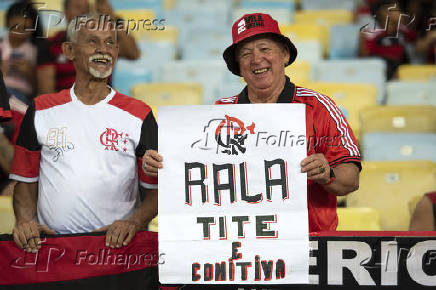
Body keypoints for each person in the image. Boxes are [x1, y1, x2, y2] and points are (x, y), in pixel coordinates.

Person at [143, 13, 361, 233]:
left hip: (306, 245)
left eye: (265, 49)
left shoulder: (318, 107)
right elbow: (189, 173)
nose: (256, 59)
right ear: (239, 65)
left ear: (284, 54)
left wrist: (328, 175)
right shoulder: (220, 112)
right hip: (241, 246)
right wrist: (160, 165)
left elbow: (350, 180)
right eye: (246, 54)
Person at [10, 13, 158, 253]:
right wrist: (25, 221)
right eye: (92, 41)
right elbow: (26, 183)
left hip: (116, 253)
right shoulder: (41, 109)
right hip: (55, 253)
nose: (103, 49)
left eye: (110, 42)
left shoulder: (140, 114)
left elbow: (156, 190)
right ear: (69, 50)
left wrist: (134, 221)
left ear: (117, 51)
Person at [37, 0, 140, 94]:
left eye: (87, 9)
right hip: (65, 106)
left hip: (103, 104)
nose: (83, 13)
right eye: (78, 7)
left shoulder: (105, 43)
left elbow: (133, 54)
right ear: (66, 12)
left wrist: (111, 18)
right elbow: (46, 90)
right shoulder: (51, 44)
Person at [358, 0, 416, 80]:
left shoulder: (403, 31)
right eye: (397, 10)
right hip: (377, 75)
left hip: (400, 77)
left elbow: (417, 45)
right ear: (384, 12)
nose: (401, 13)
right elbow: (365, 61)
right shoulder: (371, 34)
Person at [0, 2, 40, 105]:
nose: (20, 33)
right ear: (8, 23)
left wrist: (29, 72)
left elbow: (38, 87)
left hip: (21, 95)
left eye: (26, 29)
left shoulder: (33, 51)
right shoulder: (2, 45)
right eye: (17, 27)